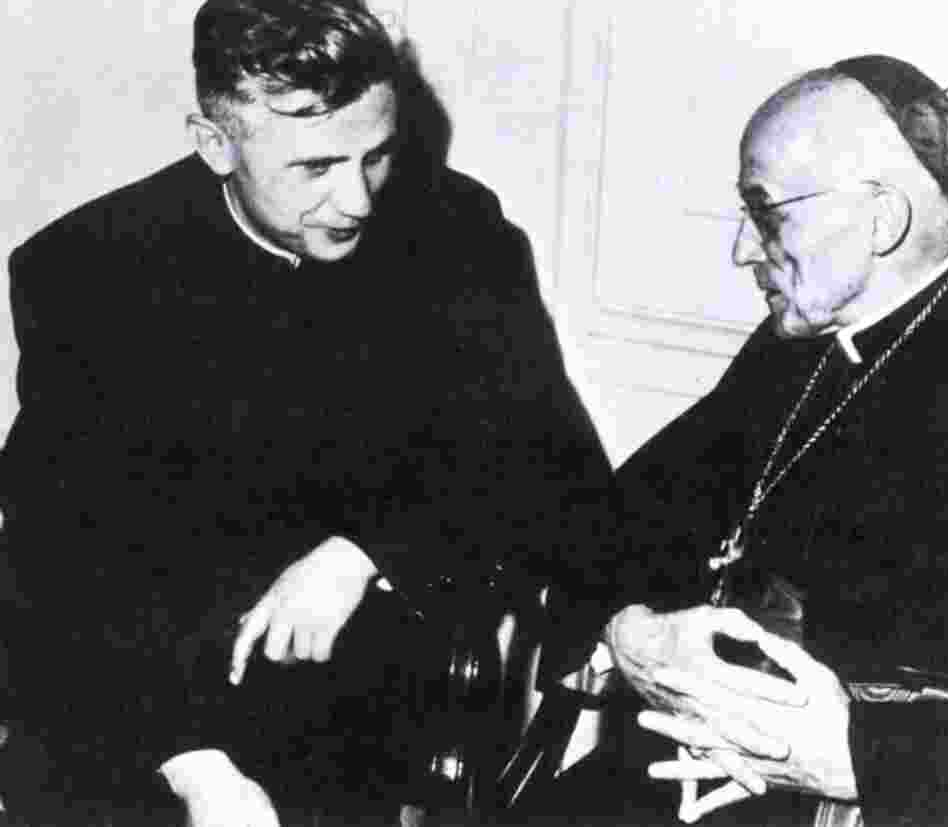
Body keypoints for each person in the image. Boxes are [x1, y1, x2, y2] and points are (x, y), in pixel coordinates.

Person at [0, 1, 612, 823]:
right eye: (315, 167)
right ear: (215, 143)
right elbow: (61, 553)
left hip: (350, 685)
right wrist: (195, 762)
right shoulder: (90, 270)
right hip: (131, 686)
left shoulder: (460, 234)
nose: (356, 199)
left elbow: (556, 468)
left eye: (378, 155)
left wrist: (369, 548)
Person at [541, 55, 948, 826]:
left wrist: (865, 760)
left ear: (882, 220)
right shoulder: (789, 351)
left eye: (767, 214)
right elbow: (612, 519)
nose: (741, 250)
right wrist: (630, 631)